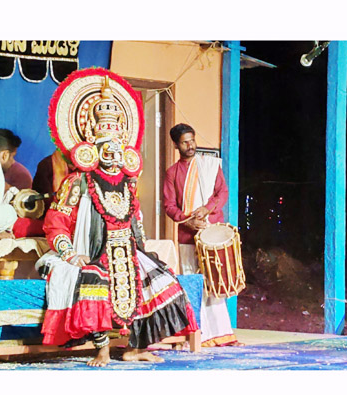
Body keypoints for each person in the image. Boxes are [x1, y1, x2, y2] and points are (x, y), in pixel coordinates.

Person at [37, 69, 198, 367]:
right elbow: (56, 221)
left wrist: (143, 250)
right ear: (92, 149)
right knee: (94, 280)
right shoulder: (78, 182)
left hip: (128, 249)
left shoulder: (127, 183)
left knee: (162, 280)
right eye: (106, 149)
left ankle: (135, 348)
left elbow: (136, 219)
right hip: (93, 251)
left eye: (116, 148)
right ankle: (101, 350)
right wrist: (70, 254)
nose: (112, 154)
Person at [164, 123, 241, 347]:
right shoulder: (172, 173)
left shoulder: (209, 165)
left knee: (214, 283)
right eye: (184, 142)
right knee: (192, 284)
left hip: (210, 234)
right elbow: (169, 206)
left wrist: (207, 209)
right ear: (176, 145)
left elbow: (222, 192)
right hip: (188, 236)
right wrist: (188, 221)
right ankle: (195, 334)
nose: (190, 145)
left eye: (192, 140)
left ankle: (222, 335)